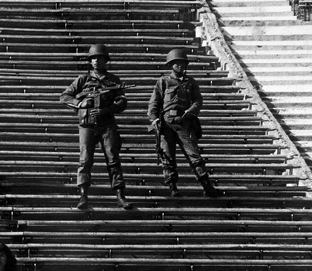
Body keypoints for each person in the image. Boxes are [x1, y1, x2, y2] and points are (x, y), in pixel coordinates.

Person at [60, 44, 132, 210]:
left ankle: (120, 196)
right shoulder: (83, 80)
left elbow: (122, 102)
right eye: (93, 58)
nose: (96, 61)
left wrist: (106, 110)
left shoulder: (113, 80)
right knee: (85, 160)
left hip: (107, 124)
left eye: (99, 58)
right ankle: (83, 196)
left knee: (113, 159)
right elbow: (64, 96)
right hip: (87, 125)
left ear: (105, 60)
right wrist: (80, 103)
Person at [147, 48, 223, 198]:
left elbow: (198, 100)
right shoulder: (163, 82)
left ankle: (206, 186)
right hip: (167, 123)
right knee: (167, 157)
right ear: (171, 65)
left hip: (184, 123)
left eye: (182, 63)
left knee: (194, 155)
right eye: (176, 63)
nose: (180, 66)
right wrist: (154, 119)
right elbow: (153, 103)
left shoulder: (191, 82)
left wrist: (191, 110)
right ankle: (172, 187)